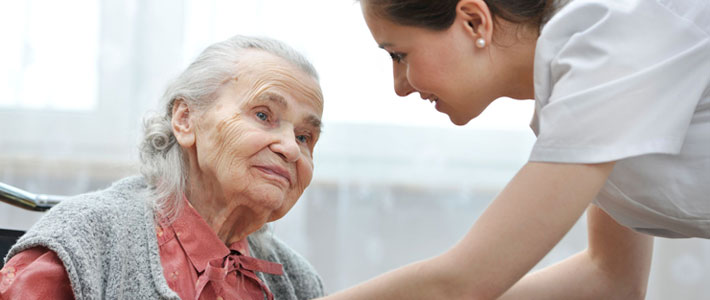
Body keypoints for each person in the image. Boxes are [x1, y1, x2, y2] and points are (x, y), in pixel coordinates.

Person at [322, 0, 710, 299]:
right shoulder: (577, 85)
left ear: (474, 19)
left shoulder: (608, 39)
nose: (399, 86)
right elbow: (609, 277)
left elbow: (462, 281)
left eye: (399, 55)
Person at [1, 35, 326, 300]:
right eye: (263, 115)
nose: (290, 148)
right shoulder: (87, 243)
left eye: (304, 136)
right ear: (185, 120)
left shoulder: (296, 282)